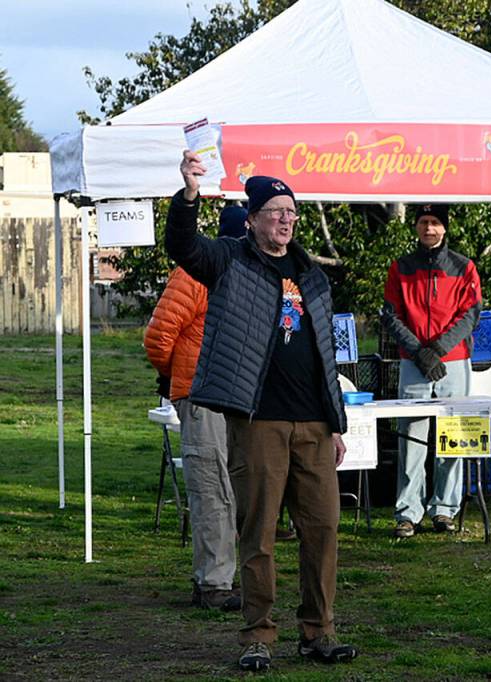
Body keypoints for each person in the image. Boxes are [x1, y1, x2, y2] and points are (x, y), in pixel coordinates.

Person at [167, 151, 355, 672]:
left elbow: (324, 355)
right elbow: (182, 245)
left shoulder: (312, 276)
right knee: (260, 533)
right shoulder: (230, 261)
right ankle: (259, 635)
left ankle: (318, 631)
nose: (286, 220)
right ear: (251, 219)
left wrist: (335, 423)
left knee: (322, 529)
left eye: (291, 212)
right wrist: (188, 194)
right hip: (258, 422)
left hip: (315, 425)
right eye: (274, 211)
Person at [144, 205, 247, 612]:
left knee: (228, 490)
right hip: (203, 397)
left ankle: (219, 578)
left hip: (233, 397)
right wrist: (181, 381)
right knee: (212, 490)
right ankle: (214, 584)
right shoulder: (194, 273)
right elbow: (158, 336)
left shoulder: (246, 276)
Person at [381, 203, 482, 538]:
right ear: (415, 227)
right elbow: (391, 315)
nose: (429, 228)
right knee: (412, 438)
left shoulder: (463, 267)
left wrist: (437, 350)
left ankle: (445, 509)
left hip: (452, 361)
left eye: (435, 222)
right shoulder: (400, 267)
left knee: (452, 436)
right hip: (413, 362)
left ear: (445, 227)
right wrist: (418, 352)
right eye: (423, 222)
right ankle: (408, 512)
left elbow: (470, 314)